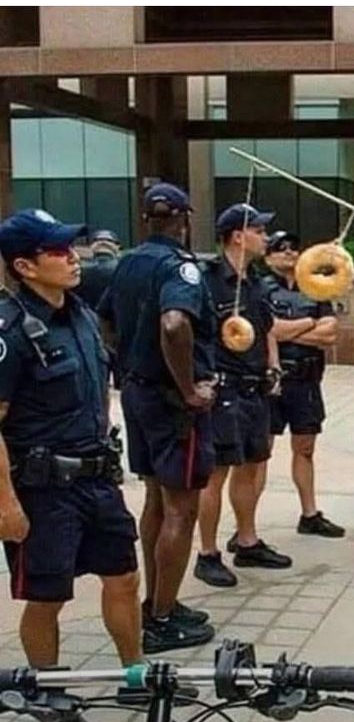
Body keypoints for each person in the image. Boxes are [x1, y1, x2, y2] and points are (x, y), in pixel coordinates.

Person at [0, 209, 141, 722]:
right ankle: (51, 697)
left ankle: (136, 675)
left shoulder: (81, 313)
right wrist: (7, 504)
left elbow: (100, 388)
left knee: (123, 576)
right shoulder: (10, 332)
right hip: (41, 489)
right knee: (47, 598)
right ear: (25, 265)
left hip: (96, 477)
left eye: (71, 247)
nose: (72, 257)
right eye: (58, 251)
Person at [98, 182, 216, 654]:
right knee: (182, 507)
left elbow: (104, 317)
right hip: (174, 405)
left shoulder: (128, 261)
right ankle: (163, 616)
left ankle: (157, 600)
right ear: (184, 218)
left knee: (155, 498)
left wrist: (124, 357)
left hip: (139, 395)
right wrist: (188, 389)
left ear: (146, 218)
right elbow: (175, 323)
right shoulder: (180, 267)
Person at [193, 205, 294, 587]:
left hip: (255, 387)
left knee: (252, 465)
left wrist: (273, 368)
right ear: (237, 236)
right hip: (223, 390)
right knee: (215, 474)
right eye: (259, 230)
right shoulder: (207, 280)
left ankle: (247, 539)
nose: (265, 237)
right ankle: (207, 553)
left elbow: (267, 328)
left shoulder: (255, 281)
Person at [260, 231, 345, 537]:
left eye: (294, 248)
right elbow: (267, 331)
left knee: (305, 448)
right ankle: (247, 526)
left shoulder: (316, 289)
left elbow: (330, 334)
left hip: (306, 380)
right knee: (259, 453)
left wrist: (286, 331)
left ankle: (309, 514)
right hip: (271, 381)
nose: (290, 253)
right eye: (280, 249)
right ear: (268, 256)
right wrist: (308, 325)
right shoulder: (260, 289)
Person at [77, 229, 121, 311]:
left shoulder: (78, 269)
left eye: (108, 240)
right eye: (99, 240)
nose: (103, 241)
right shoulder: (126, 269)